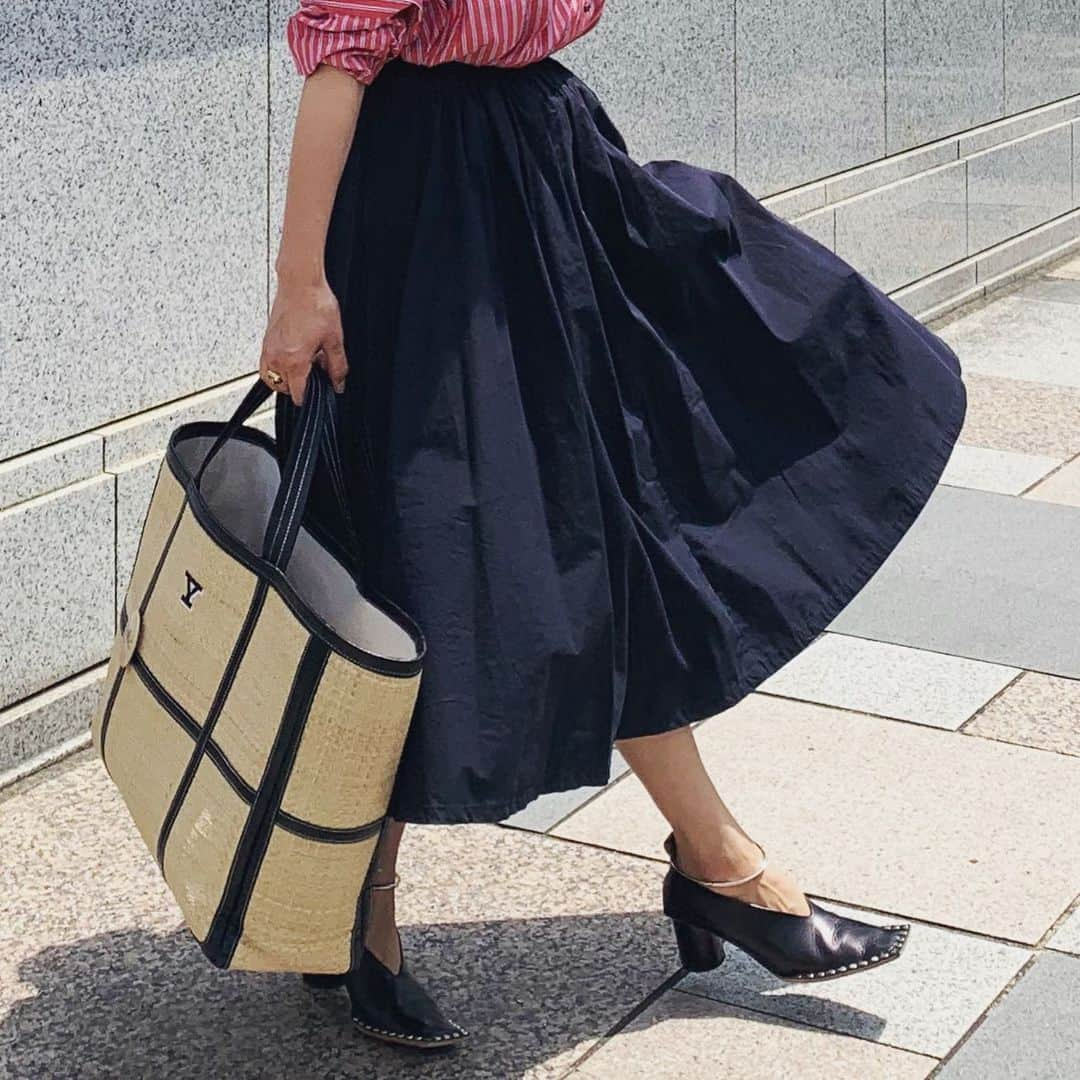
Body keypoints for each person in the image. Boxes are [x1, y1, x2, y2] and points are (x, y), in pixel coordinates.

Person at [262, 0, 964, 1050]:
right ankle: (364, 906)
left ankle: (719, 863)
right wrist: (300, 284)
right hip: (428, 212)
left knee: (606, 523)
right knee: (421, 556)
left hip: (550, 179)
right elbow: (338, 60)